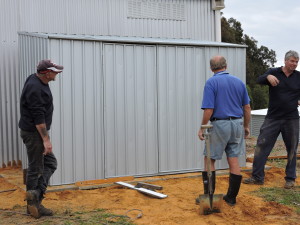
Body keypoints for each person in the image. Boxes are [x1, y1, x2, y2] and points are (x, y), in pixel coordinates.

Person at [196, 55, 251, 206]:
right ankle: (231, 198)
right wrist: (246, 126)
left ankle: (209, 198)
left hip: (220, 125)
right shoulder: (239, 82)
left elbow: (209, 109)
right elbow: (246, 107)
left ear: (211, 68)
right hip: (237, 124)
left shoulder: (211, 82)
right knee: (233, 159)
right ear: (225, 66)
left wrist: (202, 127)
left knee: (209, 159)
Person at [243, 50, 300, 189]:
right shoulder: (274, 72)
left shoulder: (299, 77)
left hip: (291, 118)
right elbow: (258, 79)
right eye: (292, 61)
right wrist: (268, 76)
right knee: (262, 145)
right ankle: (257, 177)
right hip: (273, 118)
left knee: (292, 148)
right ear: (285, 61)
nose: (295, 64)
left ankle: (290, 179)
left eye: (297, 62)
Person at [19, 59, 63, 218]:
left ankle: (34, 199)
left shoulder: (34, 79)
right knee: (36, 168)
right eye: (54, 71)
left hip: (33, 132)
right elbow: (38, 117)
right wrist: (46, 140)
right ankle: (34, 203)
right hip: (34, 134)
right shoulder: (35, 88)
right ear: (46, 73)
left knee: (48, 164)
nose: (57, 73)